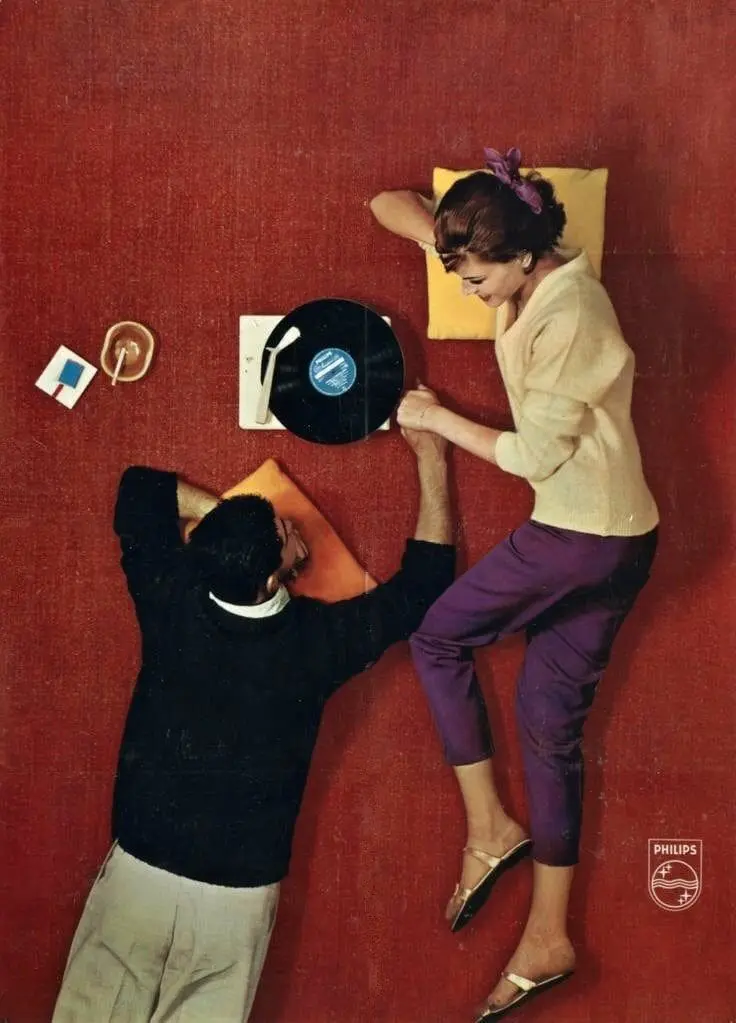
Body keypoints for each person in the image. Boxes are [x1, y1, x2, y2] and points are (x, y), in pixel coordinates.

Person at [370, 147, 659, 1021]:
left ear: (527, 256)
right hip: (618, 536)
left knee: (437, 635)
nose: (470, 293)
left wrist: (429, 416)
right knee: (547, 725)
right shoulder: (511, 246)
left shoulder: (576, 315)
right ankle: (548, 938)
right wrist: (438, 230)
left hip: (578, 535)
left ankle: (491, 829)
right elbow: (386, 201)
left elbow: (534, 458)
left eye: (480, 280)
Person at [52, 423, 455, 1023]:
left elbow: (138, 490)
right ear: (272, 579)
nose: (292, 529)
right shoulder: (318, 642)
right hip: (235, 898)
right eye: (285, 536)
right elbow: (423, 586)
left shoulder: (171, 593)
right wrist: (432, 454)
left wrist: (226, 529)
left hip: (140, 868)